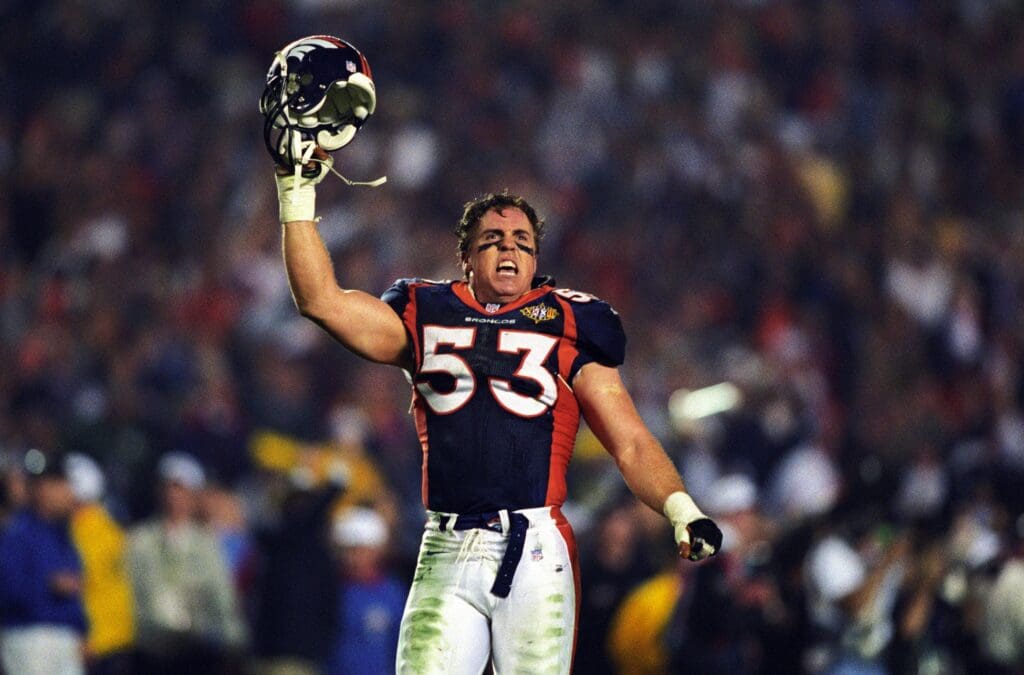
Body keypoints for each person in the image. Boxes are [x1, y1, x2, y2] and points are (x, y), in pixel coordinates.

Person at [268, 39, 722, 673]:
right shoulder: (423, 310)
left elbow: (629, 440)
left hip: (534, 549)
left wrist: (681, 508)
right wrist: (295, 191)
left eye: (521, 240)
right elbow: (320, 300)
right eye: (493, 239)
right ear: (466, 257)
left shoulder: (571, 321)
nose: (508, 248)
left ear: (536, 259)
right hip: (445, 546)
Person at [126, 452, 247, 675]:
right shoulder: (141, 540)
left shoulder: (206, 544)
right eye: (169, 487)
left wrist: (233, 641)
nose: (174, 496)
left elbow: (221, 596)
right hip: (149, 649)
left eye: (181, 489)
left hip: (194, 650)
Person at [0, 452, 88, 675]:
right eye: (60, 484)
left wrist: (81, 629)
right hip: (29, 636)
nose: (68, 491)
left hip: (65, 638)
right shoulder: (18, 533)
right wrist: (48, 586)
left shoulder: (64, 535)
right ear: (41, 489)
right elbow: (8, 589)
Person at [66, 453, 135, 675]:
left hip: (101, 643)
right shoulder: (110, 528)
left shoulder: (89, 532)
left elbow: (87, 588)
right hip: (117, 638)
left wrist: (90, 640)